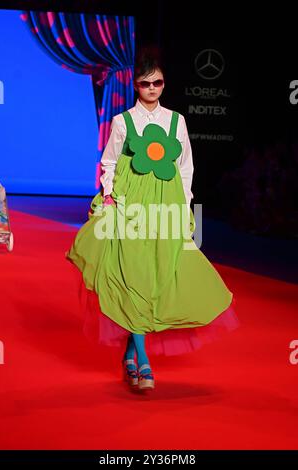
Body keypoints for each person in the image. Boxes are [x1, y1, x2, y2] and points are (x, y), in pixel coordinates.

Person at [66, 46, 239, 391]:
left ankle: (129, 354)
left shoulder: (176, 121)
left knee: (159, 276)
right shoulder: (122, 121)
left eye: (157, 83)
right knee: (134, 275)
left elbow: (185, 167)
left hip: (167, 207)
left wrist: (186, 204)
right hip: (130, 206)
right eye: (146, 84)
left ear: (164, 83)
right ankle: (143, 360)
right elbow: (110, 161)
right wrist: (111, 196)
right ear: (136, 86)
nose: (152, 89)